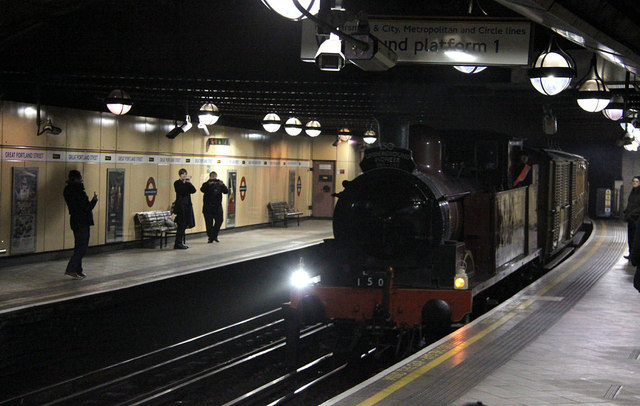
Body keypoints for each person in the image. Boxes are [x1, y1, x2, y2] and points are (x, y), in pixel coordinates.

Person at [63, 169, 98, 279]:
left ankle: (78, 270)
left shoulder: (67, 190)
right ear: (76, 179)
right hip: (82, 221)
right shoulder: (78, 191)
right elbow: (86, 208)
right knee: (82, 247)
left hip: (74, 220)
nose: (82, 179)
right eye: (80, 177)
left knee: (79, 246)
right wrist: (94, 200)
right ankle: (71, 269)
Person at [200, 171, 229, 243]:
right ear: (210, 177)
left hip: (217, 206)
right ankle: (211, 237)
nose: (214, 179)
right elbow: (202, 189)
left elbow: (226, 191)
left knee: (219, 220)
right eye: (212, 177)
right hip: (208, 207)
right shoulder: (206, 184)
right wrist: (209, 185)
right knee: (209, 223)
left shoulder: (219, 184)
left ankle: (214, 235)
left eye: (215, 177)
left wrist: (222, 185)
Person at [173, 168, 196, 249]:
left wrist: (189, 183)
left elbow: (193, 190)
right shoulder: (177, 183)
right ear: (180, 175)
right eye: (183, 174)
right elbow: (181, 191)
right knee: (181, 225)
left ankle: (180, 242)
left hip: (187, 206)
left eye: (185, 174)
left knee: (185, 224)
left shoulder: (187, 183)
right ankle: (178, 243)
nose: (184, 176)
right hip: (180, 207)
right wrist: (186, 184)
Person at [623, 176, 640, 258]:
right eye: (633, 181)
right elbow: (630, 204)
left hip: (636, 219)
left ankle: (634, 255)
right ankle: (631, 254)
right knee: (630, 237)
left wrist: (633, 213)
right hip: (630, 219)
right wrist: (626, 211)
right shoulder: (632, 192)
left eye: (636, 181)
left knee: (635, 238)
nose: (634, 183)